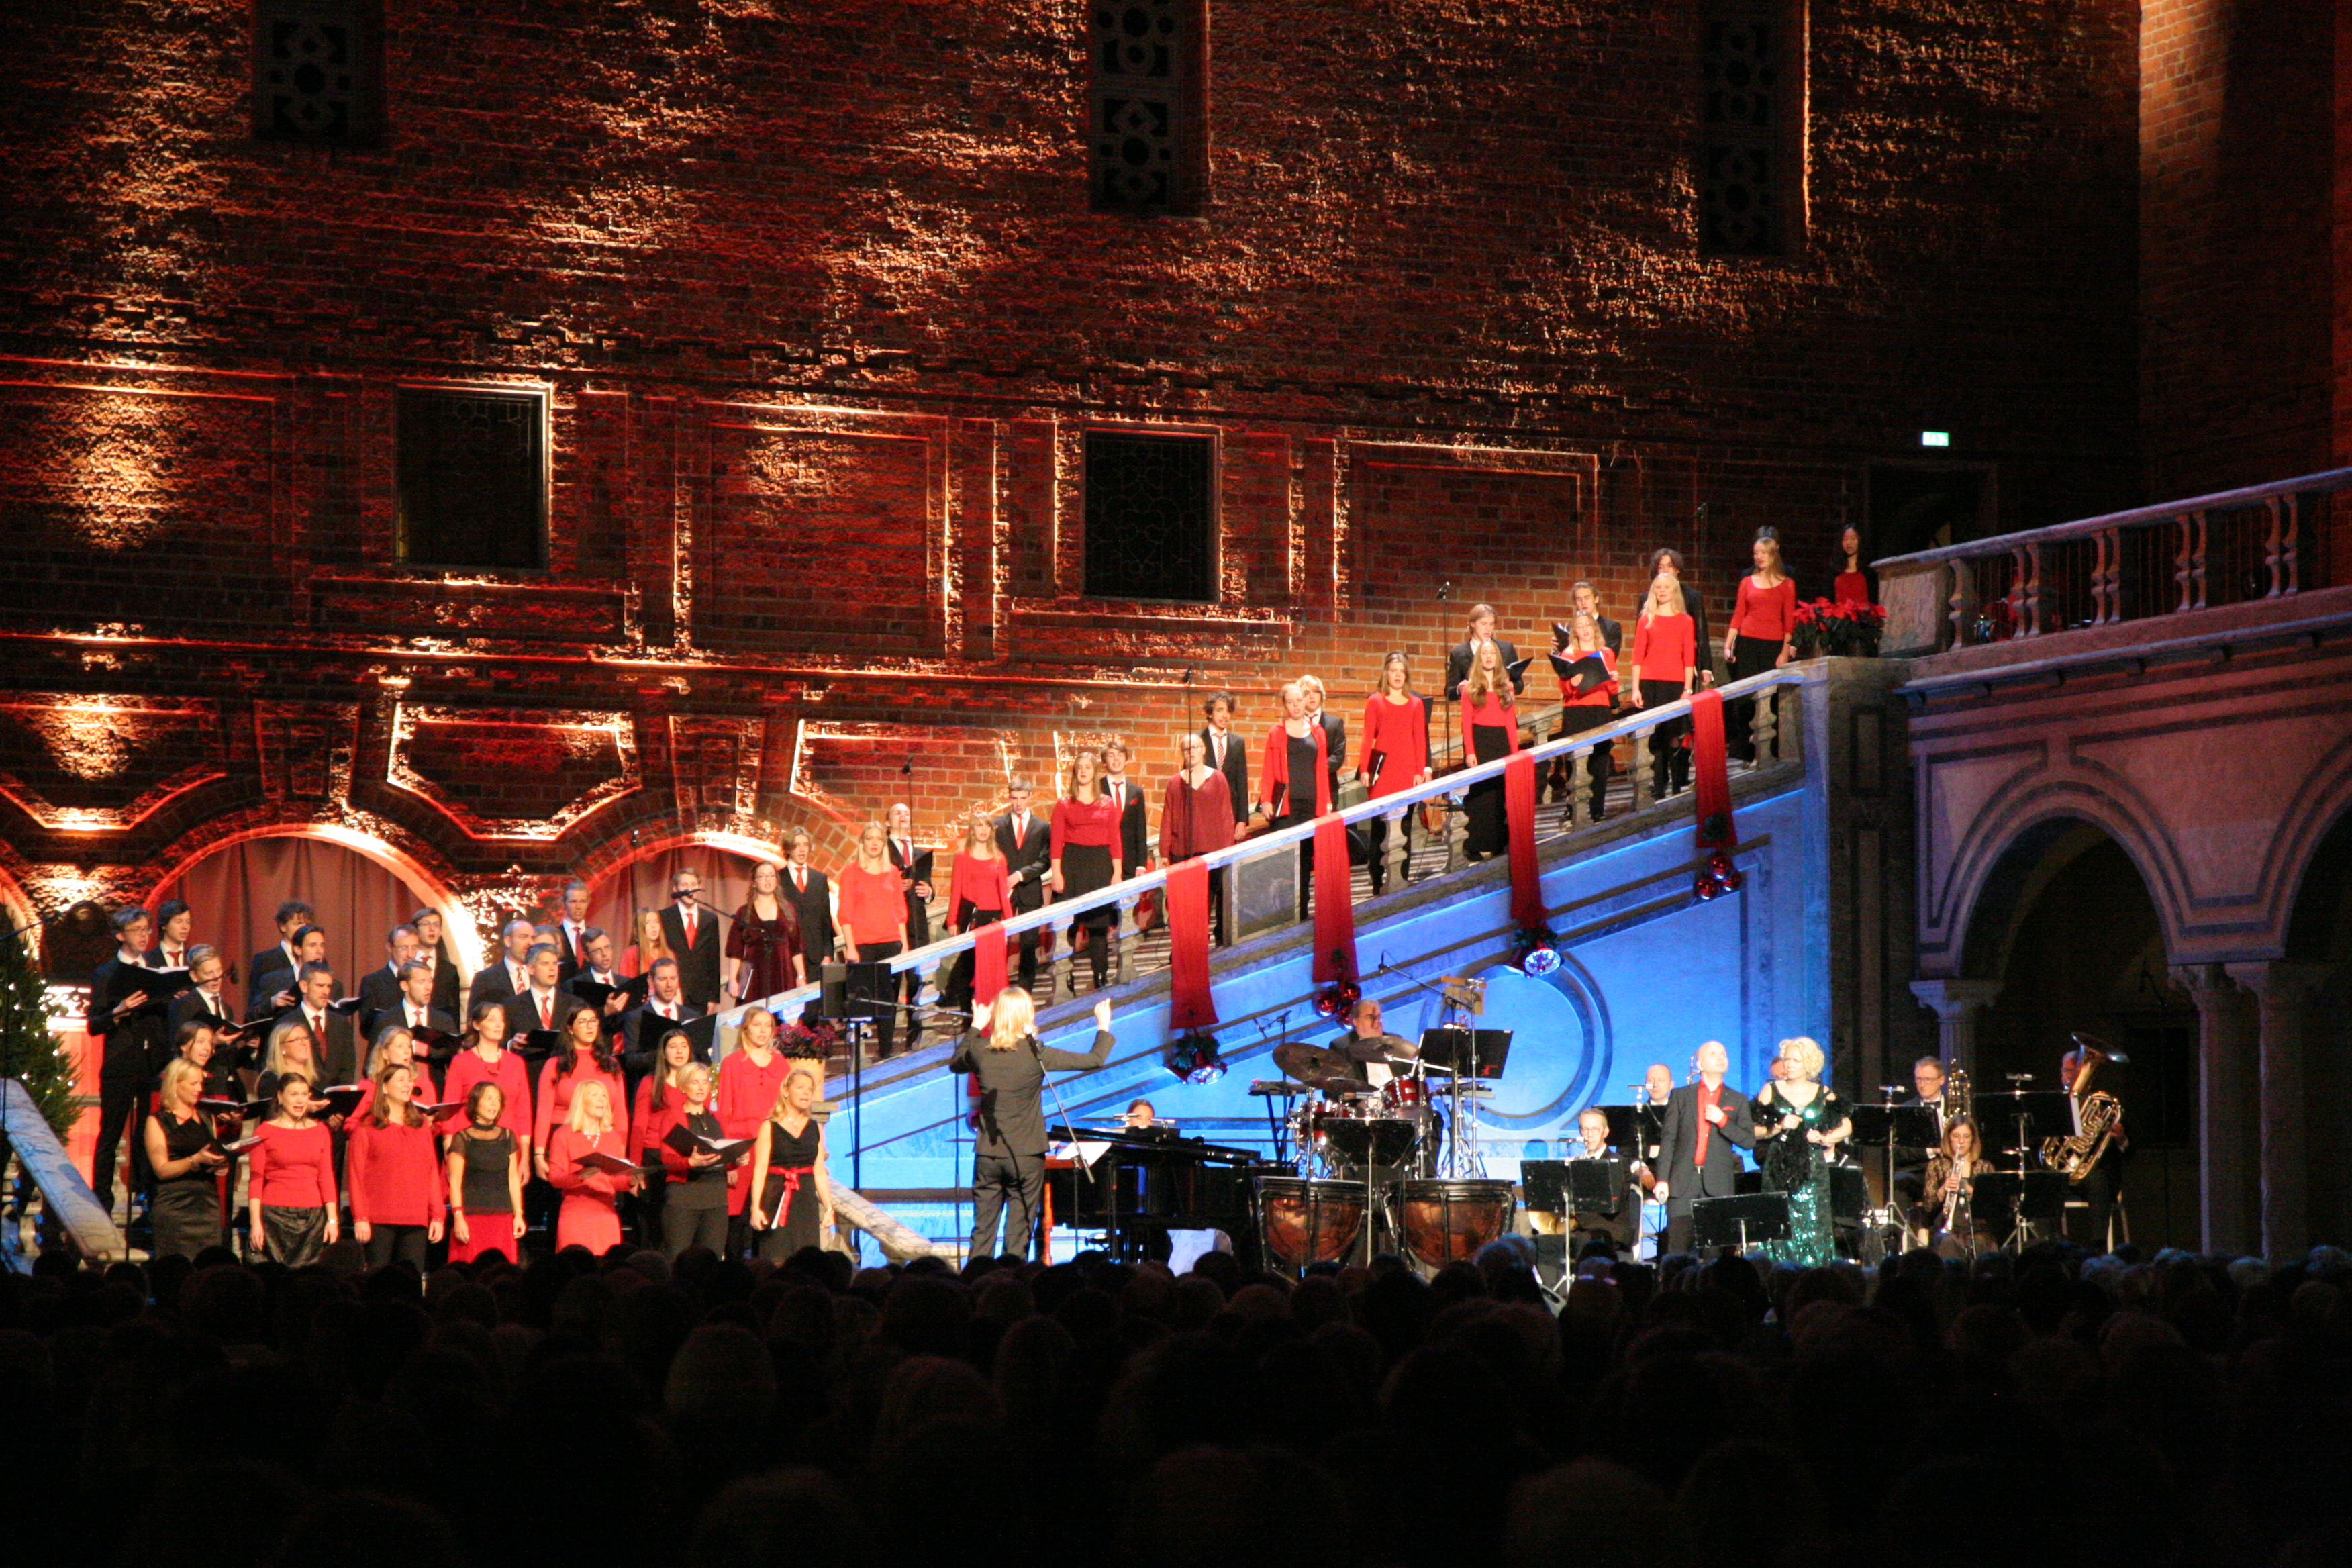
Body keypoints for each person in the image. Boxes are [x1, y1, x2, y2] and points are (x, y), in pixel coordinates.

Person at [953, 988, 1114, 1263]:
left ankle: (975, 1289)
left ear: (997, 1015)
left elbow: (956, 1063)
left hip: (988, 1155)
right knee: (1019, 1232)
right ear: (1027, 1015)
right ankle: (1013, 1290)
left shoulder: (980, 1049)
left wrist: (975, 1027)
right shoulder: (1036, 1053)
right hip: (1026, 1155)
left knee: (983, 1232)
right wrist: (1103, 1025)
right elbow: (1095, 1059)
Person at [89, 905, 172, 1214]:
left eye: (147, 930)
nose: (144, 936)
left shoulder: (154, 970)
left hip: (152, 1062)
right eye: (137, 931)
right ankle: (102, 1200)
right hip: (120, 1063)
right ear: (120, 935)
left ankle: (144, 1193)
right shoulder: (106, 973)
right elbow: (94, 1024)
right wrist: (119, 1011)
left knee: (147, 1133)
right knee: (111, 1133)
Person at [1751, 1036, 1851, 1266]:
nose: (1789, 1064)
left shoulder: (1824, 1092)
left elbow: (1846, 1126)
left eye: (1796, 1060)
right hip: (1779, 1166)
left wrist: (1824, 1137)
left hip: (1812, 1169)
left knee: (1814, 1224)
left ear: (1809, 1062)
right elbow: (1754, 1129)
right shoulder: (1771, 1089)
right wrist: (1778, 1126)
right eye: (1787, 1059)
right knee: (1779, 1225)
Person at [1655, 1040, 1756, 1256]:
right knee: (1677, 1254)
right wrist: (1662, 1179)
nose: (1721, 1058)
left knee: (1714, 1256)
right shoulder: (1682, 1096)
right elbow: (1669, 1140)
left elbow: (1748, 1141)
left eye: (1724, 1054)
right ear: (1700, 1063)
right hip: (1683, 1185)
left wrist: (1723, 1121)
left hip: (1717, 1186)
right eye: (1713, 1054)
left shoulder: (1737, 1100)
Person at [346, 1061, 447, 1270]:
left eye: (410, 1081)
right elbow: (355, 1176)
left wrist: (437, 1215)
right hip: (379, 1219)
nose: (408, 1085)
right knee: (378, 1278)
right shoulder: (367, 1127)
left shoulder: (421, 1128)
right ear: (384, 1087)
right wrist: (360, 1217)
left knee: (411, 1279)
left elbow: (430, 1174)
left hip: (415, 1219)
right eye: (401, 1080)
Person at [716, 1005, 790, 1254]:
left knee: (767, 1216)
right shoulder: (732, 1063)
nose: (763, 1030)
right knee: (737, 1220)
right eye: (757, 1024)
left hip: (772, 1148)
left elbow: (787, 1110)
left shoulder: (780, 1064)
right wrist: (729, 1160)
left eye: (767, 1025)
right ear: (745, 1028)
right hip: (742, 1150)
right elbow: (724, 1113)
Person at [1049, 749, 1122, 994]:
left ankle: (1100, 974)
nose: (1083, 770)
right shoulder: (1063, 804)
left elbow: (1115, 839)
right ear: (1075, 772)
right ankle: (1066, 973)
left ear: (1094, 772)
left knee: (1098, 926)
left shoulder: (1107, 804)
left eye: (1088, 767)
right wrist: (1057, 874)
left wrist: (1117, 873)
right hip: (1072, 865)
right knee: (1068, 925)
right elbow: (1056, 842)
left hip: (1100, 866)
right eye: (1079, 767)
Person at [836, 822, 910, 1057]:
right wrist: (850, 947)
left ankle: (886, 1052)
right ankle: (860, 1056)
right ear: (863, 842)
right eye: (870, 838)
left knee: (888, 1001)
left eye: (879, 838)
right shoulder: (851, 872)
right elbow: (845, 913)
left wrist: (905, 944)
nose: (875, 843)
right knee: (863, 1002)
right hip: (862, 945)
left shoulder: (893, 872)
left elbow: (900, 911)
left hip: (891, 943)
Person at [247, 1073, 337, 1265]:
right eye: (294, 1094)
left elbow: (326, 1176)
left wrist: (332, 1220)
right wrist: (256, 1222)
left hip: (312, 1217)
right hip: (275, 1216)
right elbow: (256, 1179)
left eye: (304, 1094)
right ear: (280, 1097)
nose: (300, 1100)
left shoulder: (320, 1130)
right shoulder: (265, 1131)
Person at [1361, 652, 1432, 894]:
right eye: (1393, 670)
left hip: (1407, 773)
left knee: (1404, 827)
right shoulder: (1375, 701)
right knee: (1380, 828)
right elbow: (1367, 737)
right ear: (1386, 673)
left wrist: (1420, 769)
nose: (1398, 675)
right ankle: (1377, 879)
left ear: (1407, 674)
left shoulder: (1416, 704)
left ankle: (1402, 875)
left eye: (1402, 671)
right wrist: (1363, 769)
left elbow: (1419, 740)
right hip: (1383, 774)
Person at [1259, 681, 1331, 920]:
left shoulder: (1318, 732)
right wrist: (1266, 800)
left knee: (1304, 859)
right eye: (1290, 702)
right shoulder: (1276, 733)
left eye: (1299, 700)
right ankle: (1283, 912)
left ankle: (1301, 910)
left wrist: (1327, 804)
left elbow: (1321, 770)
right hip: (1286, 806)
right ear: (1285, 706)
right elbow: (1268, 769)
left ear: (1306, 700)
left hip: (1310, 805)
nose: (1296, 706)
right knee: (1285, 861)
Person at [748, 1065, 835, 1259]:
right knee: (777, 1256)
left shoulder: (816, 1127)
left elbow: (819, 1171)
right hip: (776, 1197)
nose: (806, 1093)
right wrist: (755, 1208)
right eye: (801, 1087)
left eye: (810, 1089)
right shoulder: (769, 1126)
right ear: (786, 1091)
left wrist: (829, 1208)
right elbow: (760, 1170)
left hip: (805, 1200)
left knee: (806, 1259)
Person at [144, 1058, 228, 1260]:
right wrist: (195, 1160)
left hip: (207, 1206)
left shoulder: (206, 1117)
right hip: (175, 1207)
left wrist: (220, 1165)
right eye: (193, 1084)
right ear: (175, 1083)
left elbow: (213, 1152)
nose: (199, 1089)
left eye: (201, 1083)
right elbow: (162, 1169)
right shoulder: (157, 1121)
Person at [534, 1001, 627, 1184]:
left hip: (603, 1140)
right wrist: (538, 1154)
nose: (590, 1026)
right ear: (570, 1029)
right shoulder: (556, 1065)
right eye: (583, 1022)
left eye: (593, 1021)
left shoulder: (610, 1064)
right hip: (565, 1141)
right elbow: (544, 1112)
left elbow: (620, 1111)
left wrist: (621, 1152)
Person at [1726, 528, 1797, 761]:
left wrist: (1785, 650)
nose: (1759, 557)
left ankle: (1769, 752)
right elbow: (1738, 614)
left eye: (1764, 553)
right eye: (1756, 553)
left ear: (1773, 555)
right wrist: (1729, 644)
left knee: (1771, 697)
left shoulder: (1787, 584)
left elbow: (1789, 620)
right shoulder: (1747, 582)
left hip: (1773, 645)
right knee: (1745, 697)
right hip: (1747, 643)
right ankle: (1745, 751)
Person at [649, 1061, 732, 1261]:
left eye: (705, 1082)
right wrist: (690, 1163)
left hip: (716, 1198)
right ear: (684, 1087)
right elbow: (667, 1159)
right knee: (677, 1258)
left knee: (711, 1261)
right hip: (685, 1198)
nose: (702, 1087)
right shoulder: (673, 1116)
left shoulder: (716, 1117)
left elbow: (723, 1150)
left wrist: (736, 1159)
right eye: (695, 1082)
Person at [1626, 572, 1698, 797]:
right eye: (1658, 587)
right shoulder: (1646, 619)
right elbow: (1638, 656)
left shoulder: (1686, 621)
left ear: (1674, 590)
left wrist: (1688, 689)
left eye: (1667, 587)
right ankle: (1659, 787)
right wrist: (1636, 688)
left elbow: (1689, 658)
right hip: (1651, 682)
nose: (1662, 591)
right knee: (1656, 736)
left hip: (1675, 683)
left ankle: (1677, 784)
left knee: (1674, 735)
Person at [1160, 732, 1235, 940]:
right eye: (1187, 749)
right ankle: (1186, 944)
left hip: (1213, 850)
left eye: (1195, 748)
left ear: (1203, 750)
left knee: (1210, 901)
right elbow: (1168, 817)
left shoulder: (1218, 778)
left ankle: (1207, 941)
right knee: (1186, 905)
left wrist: (1229, 848)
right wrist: (1164, 852)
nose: (1191, 752)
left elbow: (1226, 814)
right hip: (1183, 851)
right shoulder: (1175, 783)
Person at [547, 1080, 636, 1253]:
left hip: (606, 1214)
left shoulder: (612, 1137)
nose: (601, 1099)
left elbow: (615, 1181)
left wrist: (630, 1181)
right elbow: (555, 1178)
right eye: (595, 1095)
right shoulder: (563, 1135)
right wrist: (581, 1176)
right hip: (576, 1213)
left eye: (604, 1095)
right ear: (581, 1101)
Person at [631, 1028, 699, 1251]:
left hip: (686, 1159)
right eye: (673, 1047)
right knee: (653, 1224)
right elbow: (639, 1127)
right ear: (664, 1052)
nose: (679, 1051)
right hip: (655, 1159)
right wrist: (635, 1168)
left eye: (684, 1046)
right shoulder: (651, 1083)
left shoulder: (697, 1084)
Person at [445, 1081, 528, 1265]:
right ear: (475, 1103)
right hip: (472, 1216)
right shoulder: (462, 1139)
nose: (494, 1104)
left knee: (502, 1270)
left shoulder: (508, 1136)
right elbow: (456, 1182)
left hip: (503, 1216)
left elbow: (513, 1179)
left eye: (498, 1100)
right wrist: (458, 1218)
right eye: (489, 1098)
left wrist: (518, 1214)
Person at [2059, 1040, 2128, 1250]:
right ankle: (2053, 1246)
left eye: (2076, 1071)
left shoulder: (2103, 1104)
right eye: (2068, 1070)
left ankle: (2099, 1246)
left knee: (2099, 1180)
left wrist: (2119, 1138)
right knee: (2043, 1182)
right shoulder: (2053, 1104)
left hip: (2090, 1174)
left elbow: (2129, 1150)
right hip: (2061, 1171)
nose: (2071, 1076)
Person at [1551, 611, 1619, 822]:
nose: (1585, 630)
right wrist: (1572, 683)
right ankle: (1573, 808)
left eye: (1588, 625)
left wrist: (1612, 678)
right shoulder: (1569, 653)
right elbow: (1563, 686)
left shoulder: (1606, 653)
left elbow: (1614, 689)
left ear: (1595, 628)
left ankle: (1597, 808)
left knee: (1599, 761)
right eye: (1579, 627)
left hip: (1599, 710)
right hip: (1576, 710)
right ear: (1574, 632)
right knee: (1574, 760)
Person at [941, 815, 1011, 1014]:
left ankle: (992, 1011)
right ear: (972, 830)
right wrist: (952, 920)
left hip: (993, 918)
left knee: (991, 968)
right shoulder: (963, 856)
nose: (983, 830)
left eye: (987, 826)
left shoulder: (999, 858)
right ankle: (967, 1014)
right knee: (968, 966)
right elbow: (957, 890)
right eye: (979, 826)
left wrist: (1010, 921)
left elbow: (1003, 892)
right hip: (973, 916)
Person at [1458, 642, 1521, 860]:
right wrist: (1470, 751)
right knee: (1480, 796)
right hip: (1480, 740)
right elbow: (1466, 723)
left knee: (1498, 795)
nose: (1488, 657)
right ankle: (1475, 845)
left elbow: (1510, 723)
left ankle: (1498, 844)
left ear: (1497, 657)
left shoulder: (1507, 687)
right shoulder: (1471, 688)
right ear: (1479, 658)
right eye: (1484, 653)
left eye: (1492, 653)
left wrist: (1515, 753)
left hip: (1501, 742)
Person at [440, 1001, 534, 1144]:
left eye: (501, 1020)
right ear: (477, 1025)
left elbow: (523, 1113)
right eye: (491, 1020)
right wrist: (449, 1147)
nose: (499, 1024)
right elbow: (449, 1109)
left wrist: (525, 1156)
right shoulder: (461, 1062)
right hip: (468, 1142)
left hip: (508, 1144)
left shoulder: (516, 1063)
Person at [1100, 741, 1154, 983]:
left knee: (1127, 908)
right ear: (1105, 761)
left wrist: (1142, 863)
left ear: (1126, 759)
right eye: (1111, 756)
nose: (1116, 760)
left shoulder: (1136, 792)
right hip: (1103, 859)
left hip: (1131, 860)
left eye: (1120, 755)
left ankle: (1127, 960)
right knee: (1105, 912)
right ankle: (1104, 963)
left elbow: (1141, 830)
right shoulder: (1097, 787)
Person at [994, 779, 1053, 993]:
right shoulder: (998, 825)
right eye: (1014, 798)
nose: (1018, 803)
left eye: (1022, 798)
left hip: (1029, 890)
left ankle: (1025, 990)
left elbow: (1045, 861)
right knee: (999, 941)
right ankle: (998, 987)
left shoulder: (1042, 827)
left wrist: (1020, 875)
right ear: (1009, 797)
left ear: (1030, 797)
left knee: (1029, 942)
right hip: (1003, 890)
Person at [885, 803, 936, 1042]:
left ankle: (915, 1036)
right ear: (888, 823)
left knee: (917, 980)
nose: (904, 815)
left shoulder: (920, 854)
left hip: (917, 924)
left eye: (907, 812)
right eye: (898, 813)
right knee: (892, 984)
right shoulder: (882, 851)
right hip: (891, 926)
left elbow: (927, 884)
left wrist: (929, 892)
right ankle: (886, 1041)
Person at [726, 861, 805, 1006]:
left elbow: (796, 948)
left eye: (771, 876)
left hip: (783, 972)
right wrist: (733, 980)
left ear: (777, 880)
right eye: (762, 876)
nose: (767, 880)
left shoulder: (788, 910)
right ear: (754, 882)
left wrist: (801, 976)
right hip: (754, 975)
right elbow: (735, 951)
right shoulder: (744, 912)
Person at [1890, 1055, 1952, 1225]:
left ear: (1941, 1080)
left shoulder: (1956, 1106)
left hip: (1948, 1168)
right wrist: (1930, 1150)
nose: (1922, 1084)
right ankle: (1895, 1238)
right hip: (1918, 1171)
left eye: (1928, 1079)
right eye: (1919, 1079)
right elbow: (1899, 1152)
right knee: (1899, 1181)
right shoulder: (1906, 1110)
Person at [1565, 1108, 1636, 1255]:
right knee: (1541, 1245)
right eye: (1585, 1129)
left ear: (1605, 1132)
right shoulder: (1575, 1162)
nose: (1589, 1135)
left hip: (1608, 1230)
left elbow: (1613, 1206)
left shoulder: (1618, 1163)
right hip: (1579, 1228)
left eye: (1595, 1130)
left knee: (1584, 1241)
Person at [1922, 1115, 1992, 1255]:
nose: (1961, 1141)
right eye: (1956, 1136)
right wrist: (1942, 1191)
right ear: (1949, 1138)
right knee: (1948, 1243)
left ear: (1973, 1139)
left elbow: (1992, 1208)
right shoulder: (1937, 1165)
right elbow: (1928, 1207)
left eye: (1966, 1137)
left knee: (1980, 1244)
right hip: (1947, 1228)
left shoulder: (1984, 1167)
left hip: (1977, 1228)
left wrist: (1971, 1191)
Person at [622, 957, 703, 1077]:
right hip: (653, 1083)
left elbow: (701, 1056)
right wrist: (662, 1053)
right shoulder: (636, 1017)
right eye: (663, 979)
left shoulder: (692, 1015)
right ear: (651, 981)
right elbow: (631, 1061)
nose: (669, 985)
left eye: (673, 978)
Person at [501, 942, 584, 1061]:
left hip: (566, 1072)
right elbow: (499, 1044)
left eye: (555, 963)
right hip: (529, 1073)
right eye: (545, 964)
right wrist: (511, 1045)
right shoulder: (511, 1006)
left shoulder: (575, 1004)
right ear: (531, 969)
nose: (552, 969)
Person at [1646, 548, 1716, 687]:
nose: (1665, 570)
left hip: (1683, 664)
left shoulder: (1692, 597)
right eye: (1661, 567)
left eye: (1670, 566)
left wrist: (1706, 667)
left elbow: (1701, 634)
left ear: (1677, 569)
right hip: (1654, 666)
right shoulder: (1647, 598)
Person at [659, 867, 724, 1010]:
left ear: (700, 888)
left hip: (700, 995)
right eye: (684, 885)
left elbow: (713, 959)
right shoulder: (664, 917)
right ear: (675, 889)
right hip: (673, 992)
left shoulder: (710, 919)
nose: (690, 889)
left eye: (694, 885)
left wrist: (713, 998)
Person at [779, 829, 839, 981]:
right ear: (788, 849)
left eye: (805, 844)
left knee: (815, 1004)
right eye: (797, 845)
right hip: (788, 956)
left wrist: (828, 954)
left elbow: (826, 920)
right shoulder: (778, 879)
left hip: (816, 956)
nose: (802, 849)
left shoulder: (819, 879)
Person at [350, 1024, 438, 1121]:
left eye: (409, 1047)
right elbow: (352, 1124)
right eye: (400, 1047)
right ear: (385, 1053)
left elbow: (436, 1126)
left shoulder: (424, 1086)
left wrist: (429, 1124)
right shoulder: (368, 1086)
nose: (407, 1051)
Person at [246, 899, 317, 1018]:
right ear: (283, 926)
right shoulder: (265, 960)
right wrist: (272, 1002)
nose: (304, 930)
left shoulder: (316, 959)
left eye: (307, 925)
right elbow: (253, 1009)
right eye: (298, 924)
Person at [1444, 603, 1525, 701]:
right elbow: (1449, 692)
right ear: (1473, 624)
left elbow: (1519, 685)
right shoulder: (1459, 654)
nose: (1488, 629)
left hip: (1502, 708)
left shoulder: (1506, 649)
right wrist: (1460, 689)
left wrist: (1510, 685)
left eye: (1491, 624)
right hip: (1476, 708)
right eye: (1484, 624)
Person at [357, 924, 422, 1041]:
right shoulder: (373, 982)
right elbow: (366, 1030)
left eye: (414, 948)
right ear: (389, 947)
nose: (410, 954)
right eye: (404, 948)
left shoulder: (424, 982)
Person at [466, 919, 539, 1018]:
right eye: (524, 937)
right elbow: (475, 1018)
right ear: (508, 941)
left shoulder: (540, 974)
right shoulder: (486, 979)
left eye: (533, 938)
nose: (530, 943)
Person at [1199, 691, 1250, 826]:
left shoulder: (1237, 743)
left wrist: (1242, 820)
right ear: (1210, 712)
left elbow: (1242, 783)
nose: (1225, 715)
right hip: (1203, 811)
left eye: (1228, 711)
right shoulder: (1198, 740)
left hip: (1229, 812)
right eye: (1220, 710)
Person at [1297, 675, 1349, 805]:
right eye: (1307, 693)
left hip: (1327, 787)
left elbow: (1338, 756)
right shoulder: (1293, 724)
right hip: (1300, 790)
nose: (1312, 696)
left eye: (1316, 692)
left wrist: (1316, 768)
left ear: (1322, 695)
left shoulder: (1334, 723)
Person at [409, 907, 465, 1018]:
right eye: (426, 924)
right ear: (415, 930)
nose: (432, 929)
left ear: (441, 932)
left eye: (436, 925)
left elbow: (454, 1012)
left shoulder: (450, 970)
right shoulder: (406, 964)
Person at [555, 879, 594, 979]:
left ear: (588, 903)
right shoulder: (555, 936)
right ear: (564, 903)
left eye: (583, 902)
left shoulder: (594, 936)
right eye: (573, 902)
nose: (578, 907)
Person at [622, 908, 673, 979]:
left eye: (656, 921)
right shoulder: (632, 954)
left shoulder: (668, 954)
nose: (653, 926)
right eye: (648, 922)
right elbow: (626, 984)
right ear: (640, 927)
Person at [1833, 524, 1875, 608]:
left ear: (1860, 540)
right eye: (1845, 539)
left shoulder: (1869, 570)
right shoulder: (1834, 571)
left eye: (1853, 538)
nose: (1849, 543)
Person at [151, 899, 195, 971]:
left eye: (188, 922)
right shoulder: (147, 960)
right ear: (164, 925)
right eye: (178, 921)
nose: (185, 927)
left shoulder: (194, 958)